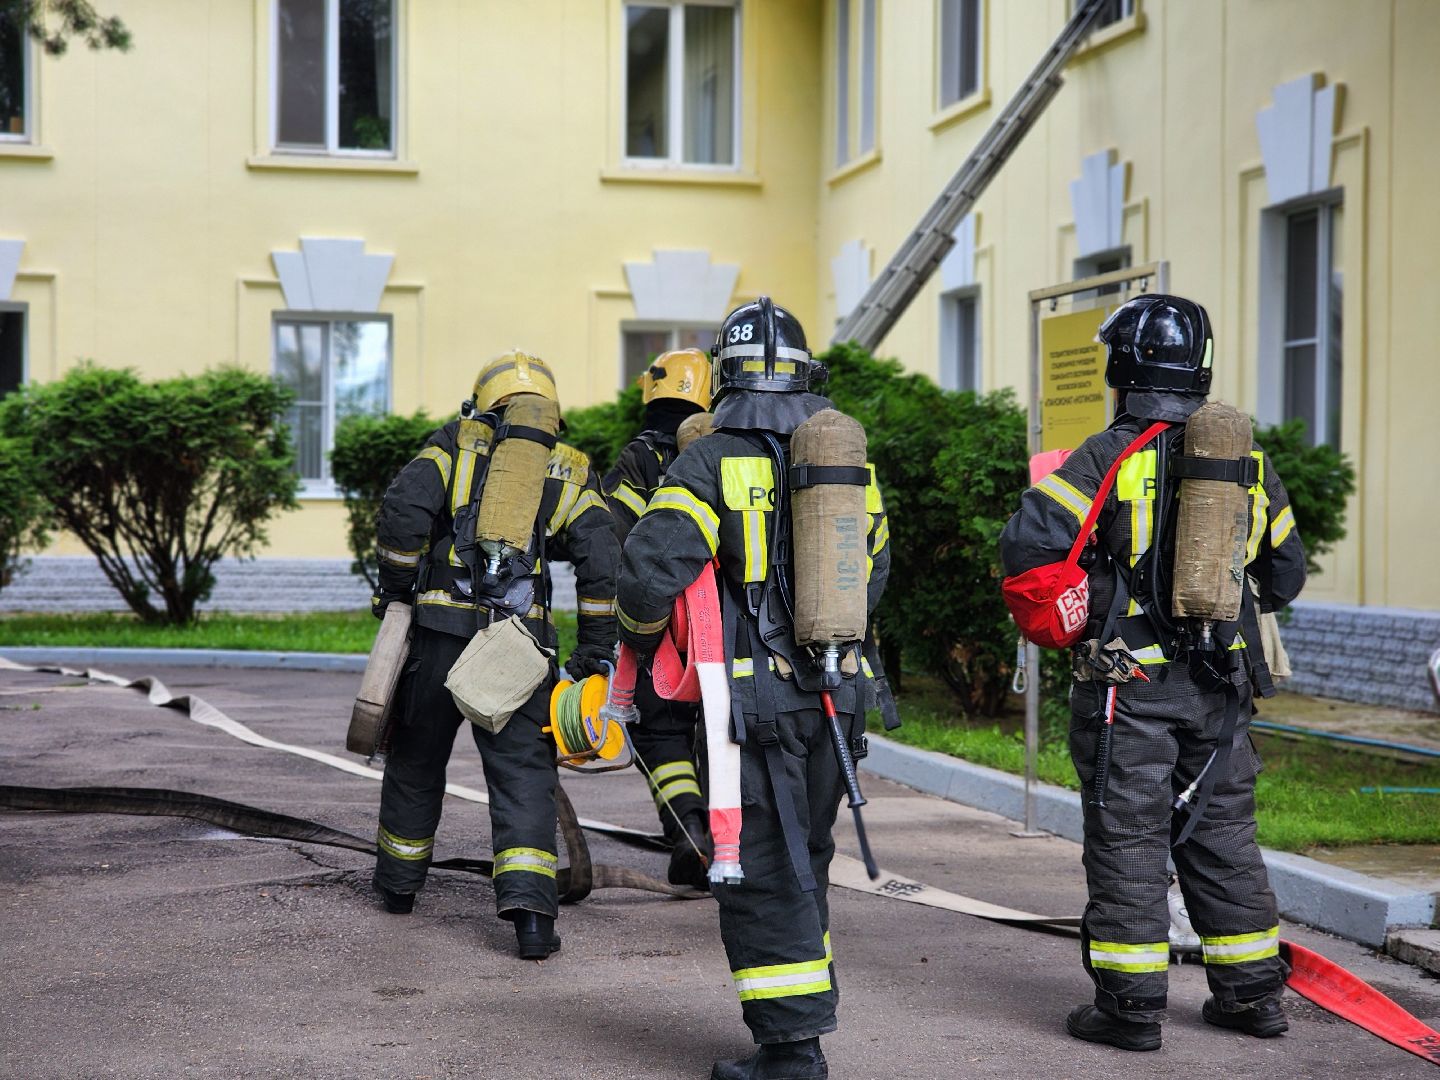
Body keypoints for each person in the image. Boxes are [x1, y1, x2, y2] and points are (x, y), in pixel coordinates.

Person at [1000, 294, 1307, 1051]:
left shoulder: (1106, 455)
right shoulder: (1247, 466)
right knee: (1223, 833)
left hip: (1126, 693)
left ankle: (1130, 1010)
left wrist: (1098, 599)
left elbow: (1029, 549)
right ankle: (1253, 997)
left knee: (1129, 839)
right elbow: (1287, 574)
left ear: (1122, 369)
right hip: (1222, 694)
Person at [617, 298, 890, 1080]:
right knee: (806, 853)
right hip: (838, 698)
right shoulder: (846, 463)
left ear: (726, 378)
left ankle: (791, 1052)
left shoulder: (707, 460)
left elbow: (648, 569)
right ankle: (805, 1018)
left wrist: (640, 646)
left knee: (765, 867)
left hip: (749, 703)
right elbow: (878, 570)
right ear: (807, 376)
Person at [369, 350, 619, 959]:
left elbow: (402, 516)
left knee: (416, 760)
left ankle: (399, 887)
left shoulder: (453, 446)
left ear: (482, 402)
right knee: (523, 778)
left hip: (436, 637)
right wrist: (594, 649)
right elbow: (602, 558)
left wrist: (399, 592)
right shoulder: (567, 469)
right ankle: (532, 918)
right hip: (519, 649)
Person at [604, 348, 713, 889]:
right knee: (725, 733)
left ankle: (690, 831)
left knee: (662, 732)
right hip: (730, 622)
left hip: (663, 620)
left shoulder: (638, 459)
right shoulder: (730, 449)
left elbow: (617, 540)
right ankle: (732, 837)